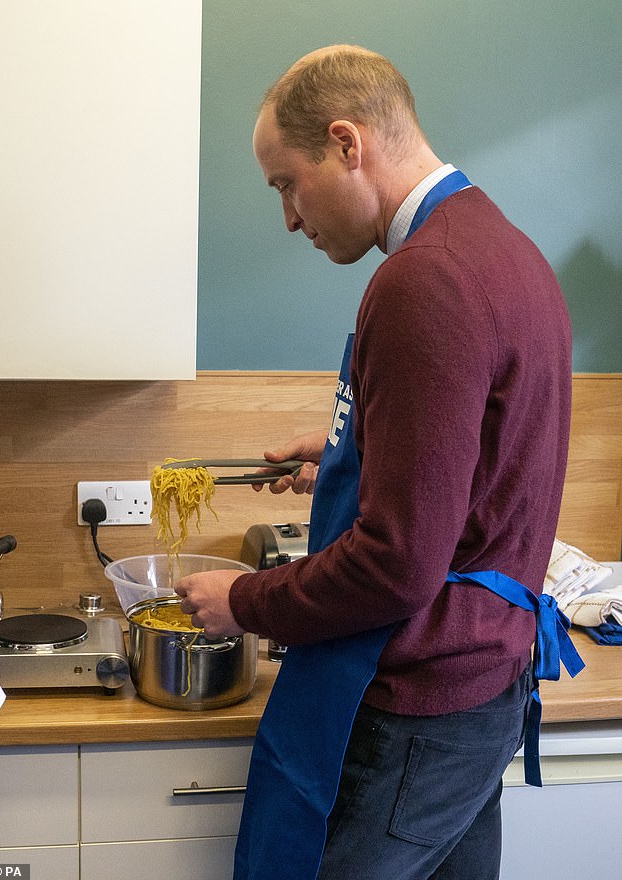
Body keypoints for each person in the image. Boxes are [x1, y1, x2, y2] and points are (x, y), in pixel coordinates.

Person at [176, 45, 575, 880]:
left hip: (417, 714)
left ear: (347, 144)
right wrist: (347, 458)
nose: (288, 217)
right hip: (482, 692)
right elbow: (480, 467)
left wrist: (243, 601)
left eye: (286, 182)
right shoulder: (505, 250)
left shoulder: (421, 283)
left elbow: (397, 564)